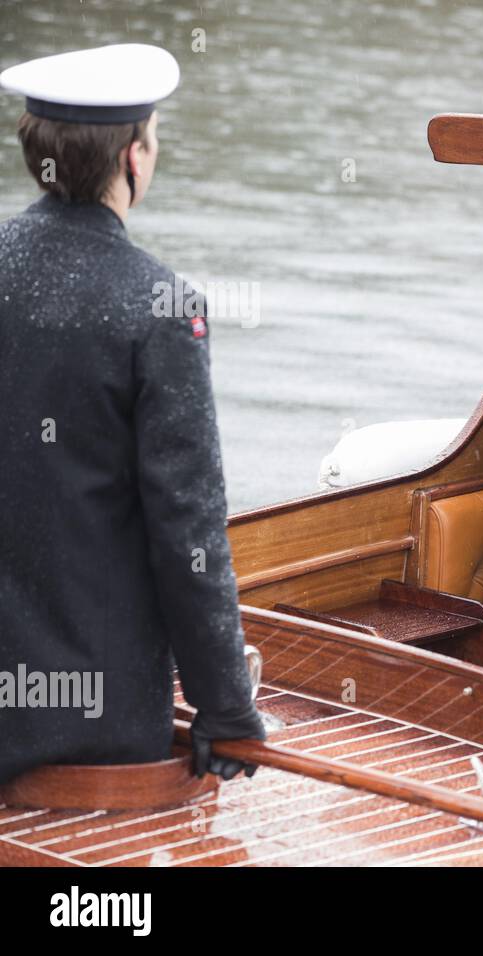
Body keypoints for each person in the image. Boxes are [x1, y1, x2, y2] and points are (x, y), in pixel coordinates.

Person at [0, 44, 264, 783]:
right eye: (153, 135)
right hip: (95, 730)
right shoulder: (161, 309)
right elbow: (189, 536)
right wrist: (227, 709)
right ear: (132, 158)